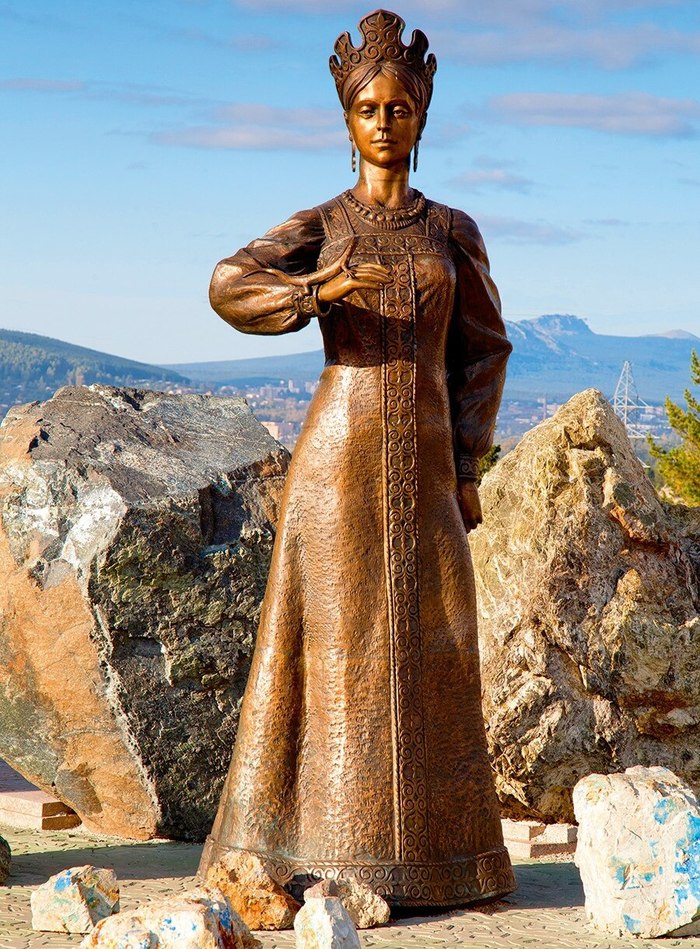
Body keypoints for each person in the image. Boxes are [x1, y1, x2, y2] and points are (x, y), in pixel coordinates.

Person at [199, 9, 515, 907]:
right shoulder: (322, 224)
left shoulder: (453, 230)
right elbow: (227, 282)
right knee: (330, 649)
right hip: (336, 463)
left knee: (438, 642)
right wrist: (317, 289)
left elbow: (486, 349)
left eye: (400, 106)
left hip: (425, 459)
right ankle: (311, 852)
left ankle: (448, 857)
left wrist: (467, 466)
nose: (385, 121)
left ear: (421, 118)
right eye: (369, 109)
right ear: (347, 124)